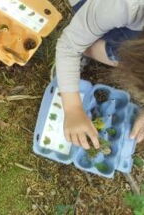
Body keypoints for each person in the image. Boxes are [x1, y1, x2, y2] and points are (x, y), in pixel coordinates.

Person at [56, 0, 144, 149]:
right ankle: (86, 46)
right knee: (84, 44)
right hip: (96, 6)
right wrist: (72, 108)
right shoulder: (125, 5)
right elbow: (69, 46)